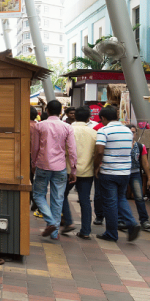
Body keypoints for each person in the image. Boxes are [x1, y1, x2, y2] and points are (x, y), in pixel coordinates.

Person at [30, 100, 77, 240]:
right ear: (61, 111)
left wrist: (33, 164)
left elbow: (35, 147)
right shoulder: (67, 127)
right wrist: (73, 169)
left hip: (43, 166)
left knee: (38, 195)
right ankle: (54, 233)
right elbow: (72, 150)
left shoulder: (40, 126)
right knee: (58, 199)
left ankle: (50, 222)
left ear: (47, 111)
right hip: (60, 167)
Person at [93, 105, 141, 242]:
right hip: (125, 172)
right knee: (121, 198)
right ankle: (131, 223)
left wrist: (96, 167)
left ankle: (111, 233)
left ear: (103, 118)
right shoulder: (127, 131)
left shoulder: (104, 130)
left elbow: (100, 151)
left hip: (109, 171)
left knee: (110, 203)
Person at [62, 106, 97, 239]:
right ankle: (86, 230)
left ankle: (69, 221)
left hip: (69, 170)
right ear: (89, 118)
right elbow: (97, 152)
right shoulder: (93, 133)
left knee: (61, 195)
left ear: (75, 116)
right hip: (87, 171)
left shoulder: (69, 130)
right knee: (85, 200)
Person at [127, 123, 150, 231]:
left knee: (139, 197)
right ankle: (120, 219)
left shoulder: (140, 146)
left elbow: (145, 163)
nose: (131, 134)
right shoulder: (121, 145)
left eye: (133, 132)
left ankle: (144, 220)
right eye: (129, 132)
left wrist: (149, 179)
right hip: (122, 173)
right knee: (120, 197)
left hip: (135, 174)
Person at [30, 106, 41, 216]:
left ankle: (33, 201)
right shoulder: (37, 126)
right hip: (38, 157)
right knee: (36, 181)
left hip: (25, 156)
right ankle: (36, 202)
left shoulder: (23, 125)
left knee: (28, 180)